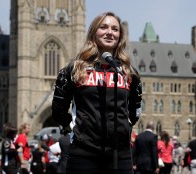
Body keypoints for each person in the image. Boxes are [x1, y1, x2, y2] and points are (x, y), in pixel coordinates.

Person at [52, 11, 142, 174]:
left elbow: (135, 111)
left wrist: (123, 129)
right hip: (84, 154)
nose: (109, 32)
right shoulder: (74, 69)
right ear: (94, 32)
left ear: (120, 36)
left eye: (115, 29)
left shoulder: (129, 73)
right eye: (104, 27)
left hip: (120, 155)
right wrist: (77, 131)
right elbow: (58, 110)